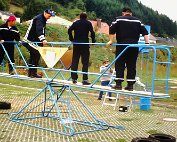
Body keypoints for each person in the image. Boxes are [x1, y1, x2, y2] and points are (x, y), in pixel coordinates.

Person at [107, 7, 149, 91]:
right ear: (131, 13)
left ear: (123, 13)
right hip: (133, 46)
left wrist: (111, 41)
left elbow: (111, 30)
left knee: (120, 64)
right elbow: (145, 32)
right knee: (131, 65)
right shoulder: (138, 21)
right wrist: (147, 43)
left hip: (122, 45)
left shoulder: (118, 19)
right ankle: (130, 86)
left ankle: (118, 84)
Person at [23, 9, 55, 78]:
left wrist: (41, 41)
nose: (50, 17)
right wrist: (43, 39)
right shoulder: (39, 19)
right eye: (49, 16)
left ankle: (31, 73)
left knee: (34, 55)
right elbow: (39, 30)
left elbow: (41, 30)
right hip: (30, 39)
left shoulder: (43, 19)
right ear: (45, 13)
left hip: (34, 40)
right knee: (36, 54)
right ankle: (32, 73)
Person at [68, 12, 96, 85]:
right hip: (84, 44)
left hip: (76, 44)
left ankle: (74, 78)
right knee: (85, 62)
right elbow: (92, 33)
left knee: (75, 61)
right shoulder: (88, 23)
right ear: (86, 17)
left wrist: (71, 38)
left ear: (80, 17)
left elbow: (69, 30)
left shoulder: (76, 23)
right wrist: (93, 41)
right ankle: (85, 79)